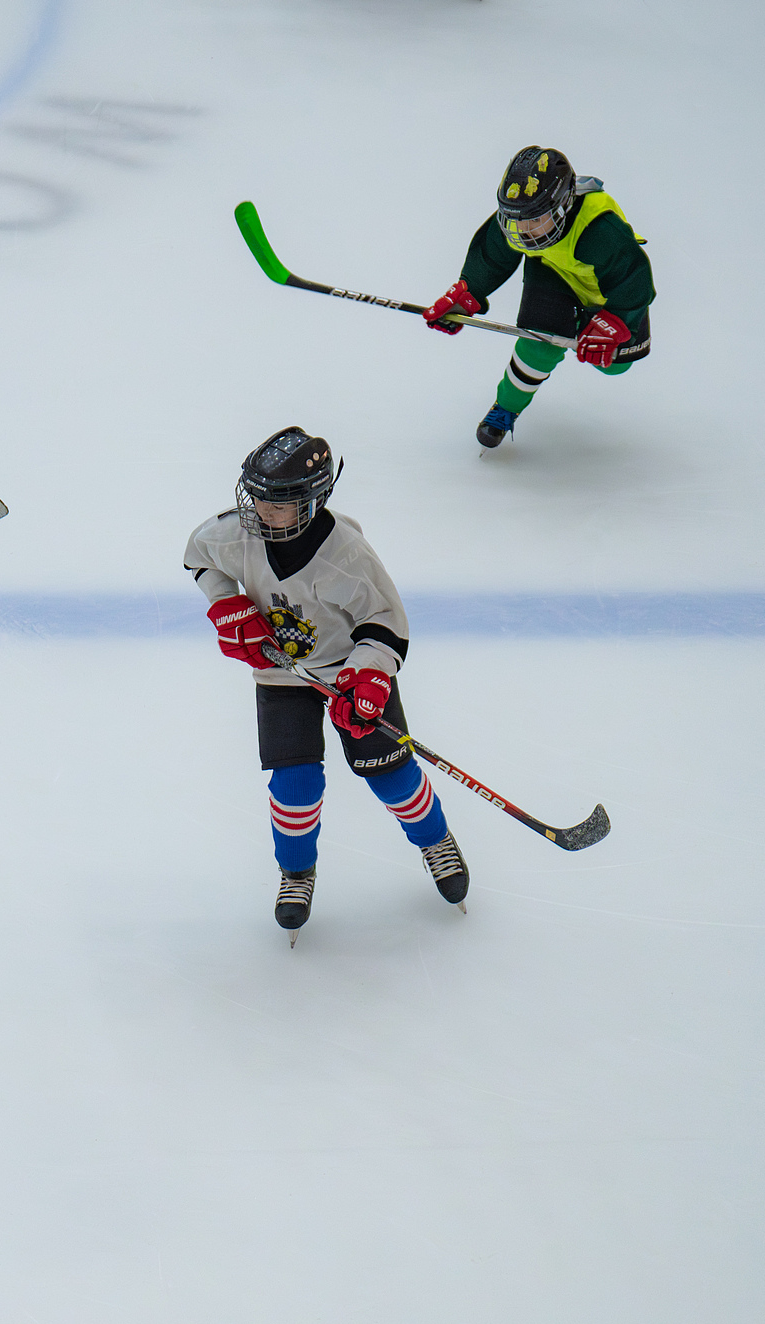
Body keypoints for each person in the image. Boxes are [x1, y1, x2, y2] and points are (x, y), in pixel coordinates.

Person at [183, 427, 470, 943]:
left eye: (276, 504)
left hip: (350, 676)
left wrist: (366, 677)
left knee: (390, 775)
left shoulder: (348, 555)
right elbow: (198, 556)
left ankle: (436, 840)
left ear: (311, 502)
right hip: (282, 674)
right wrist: (226, 603)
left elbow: (384, 622)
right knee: (294, 788)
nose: (259, 512)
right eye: (257, 498)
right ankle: (296, 874)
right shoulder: (237, 533)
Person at [422, 146, 654, 450]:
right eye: (514, 220)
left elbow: (633, 278)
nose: (522, 232)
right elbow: (493, 255)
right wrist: (469, 292)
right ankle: (505, 409)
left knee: (615, 365)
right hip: (553, 275)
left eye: (534, 221)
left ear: (563, 206)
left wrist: (618, 322)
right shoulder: (521, 217)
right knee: (538, 342)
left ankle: (587, 324)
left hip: (608, 296)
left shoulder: (600, 229)